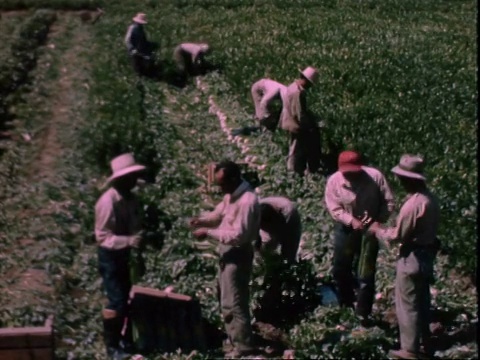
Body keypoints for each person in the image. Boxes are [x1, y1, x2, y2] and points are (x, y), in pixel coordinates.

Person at [367, 154, 440, 359]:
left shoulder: (413, 205)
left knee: (407, 304)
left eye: (401, 178)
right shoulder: (430, 199)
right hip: (426, 256)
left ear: (410, 179)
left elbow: (399, 235)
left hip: (412, 257)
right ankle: (424, 343)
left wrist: (377, 230)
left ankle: (409, 350)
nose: (400, 182)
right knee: (422, 301)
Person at [189, 160, 260, 358]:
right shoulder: (232, 194)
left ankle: (244, 346)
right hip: (228, 251)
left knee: (234, 300)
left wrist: (209, 233)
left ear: (234, 179)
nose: (221, 189)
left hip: (238, 252)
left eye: (223, 184)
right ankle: (234, 340)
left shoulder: (247, 201)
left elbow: (239, 235)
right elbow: (218, 214)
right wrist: (202, 221)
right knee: (226, 297)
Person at [324, 150, 394, 325]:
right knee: (341, 269)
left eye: (354, 171)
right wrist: (350, 220)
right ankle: (346, 307)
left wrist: (378, 221)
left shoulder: (375, 177)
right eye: (347, 172)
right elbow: (335, 208)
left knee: (366, 272)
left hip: (370, 229)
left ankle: (363, 313)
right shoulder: (334, 181)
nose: (350, 175)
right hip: (346, 228)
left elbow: (389, 201)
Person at [95, 153, 146, 359]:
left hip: (125, 254)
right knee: (116, 300)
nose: (135, 181)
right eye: (131, 177)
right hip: (110, 256)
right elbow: (102, 237)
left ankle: (124, 340)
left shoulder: (130, 198)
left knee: (126, 297)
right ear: (121, 179)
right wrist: (128, 241)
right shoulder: (107, 202)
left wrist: (137, 241)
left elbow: (135, 224)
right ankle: (112, 346)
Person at [279, 66, 321, 175]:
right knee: (296, 148)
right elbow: (299, 114)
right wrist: (311, 125)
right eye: (310, 83)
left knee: (295, 146)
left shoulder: (293, 86)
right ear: (306, 81)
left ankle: (295, 169)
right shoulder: (298, 93)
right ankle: (292, 171)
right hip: (294, 124)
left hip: (289, 120)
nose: (310, 87)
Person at [256, 196, 302, 264]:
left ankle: (288, 265)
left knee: (289, 250)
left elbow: (279, 234)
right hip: (268, 215)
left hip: (289, 218)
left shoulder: (287, 212)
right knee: (264, 246)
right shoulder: (255, 209)